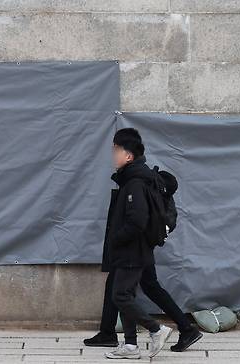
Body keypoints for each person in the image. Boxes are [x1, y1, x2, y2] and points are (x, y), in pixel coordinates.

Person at [85, 128, 202, 359]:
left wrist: (116, 239)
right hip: (133, 249)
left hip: (132, 249)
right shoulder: (133, 178)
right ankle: (124, 341)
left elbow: (137, 220)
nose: (113, 155)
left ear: (128, 155)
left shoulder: (135, 182)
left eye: (116, 150)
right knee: (126, 289)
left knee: (123, 294)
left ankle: (157, 329)